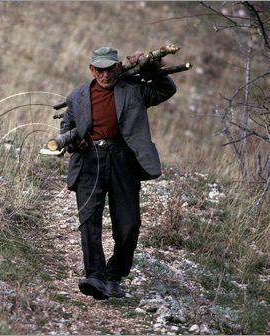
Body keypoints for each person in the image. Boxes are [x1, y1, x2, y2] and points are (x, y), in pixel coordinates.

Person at [60, 47, 176, 300]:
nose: (105, 75)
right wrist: (72, 143)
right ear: (92, 69)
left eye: (110, 69)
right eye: (100, 70)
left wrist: (151, 66)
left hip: (124, 159)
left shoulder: (134, 88)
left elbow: (166, 90)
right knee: (89, 222)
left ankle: (114, 275)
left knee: (129, 225)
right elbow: (67, 127)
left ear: (118, 67)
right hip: (90, 161)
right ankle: (96, 277)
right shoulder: (78, 96)